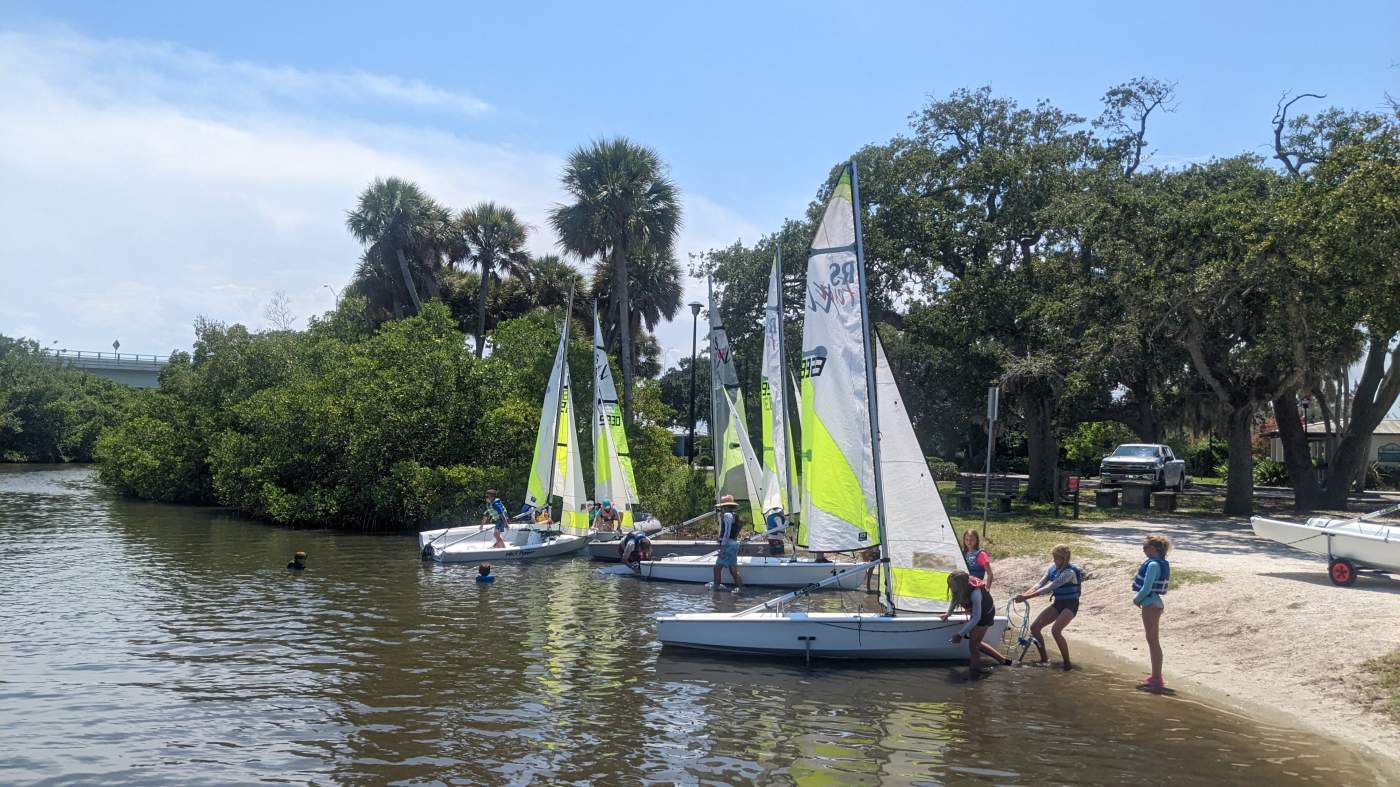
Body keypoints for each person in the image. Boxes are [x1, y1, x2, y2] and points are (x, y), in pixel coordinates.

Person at [1014, 544, 1084, 671]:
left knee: (1056, 630)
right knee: (1035, 628)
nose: (1054, 560)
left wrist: (1026, 598)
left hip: (1070, 605)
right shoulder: (1052, 569)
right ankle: (1044, 659)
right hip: (1058, 603)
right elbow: (1040, 584)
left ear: (1064, 559)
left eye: (1056, 558)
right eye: (1053, 557)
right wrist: (1024, 594)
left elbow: (1049, 588)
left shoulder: (1069, 572)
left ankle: (1067, 663)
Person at [943, 571, 1012, 675]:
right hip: (976, 614)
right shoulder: (958, 588)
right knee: (976, 642)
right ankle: (1003, 660)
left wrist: (959, 634)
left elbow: (976, 618)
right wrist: (948, 613)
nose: (950, 587)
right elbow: (954, 598)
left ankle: (975, 670)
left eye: (952, 585)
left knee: (973, 645)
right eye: (950, 584)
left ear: (962, 585)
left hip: (985, 615)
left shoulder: (975, 594)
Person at [1134, 534, 1172, 691]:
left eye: (1145, 547)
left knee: (1153, 641)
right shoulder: (1158, 564)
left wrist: (1136, 599)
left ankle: (1157, 678)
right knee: (1152, 640)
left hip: (1151, 604)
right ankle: (1155, 676)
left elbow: (1146, 588)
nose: (1143, 550)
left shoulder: (1153, 565)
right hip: (1154, 603)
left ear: (1154, 549)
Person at [707, 494, 744, 593]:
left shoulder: (727, 515)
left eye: (722, 506)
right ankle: (740, 588)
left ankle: (717, 586)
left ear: (725, 506)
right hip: (734, 543)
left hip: (728, 544)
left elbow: (727, 532)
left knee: (717, 568)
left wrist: (723, 546)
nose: (722, 508)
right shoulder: (735, 515)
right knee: (732, 568)